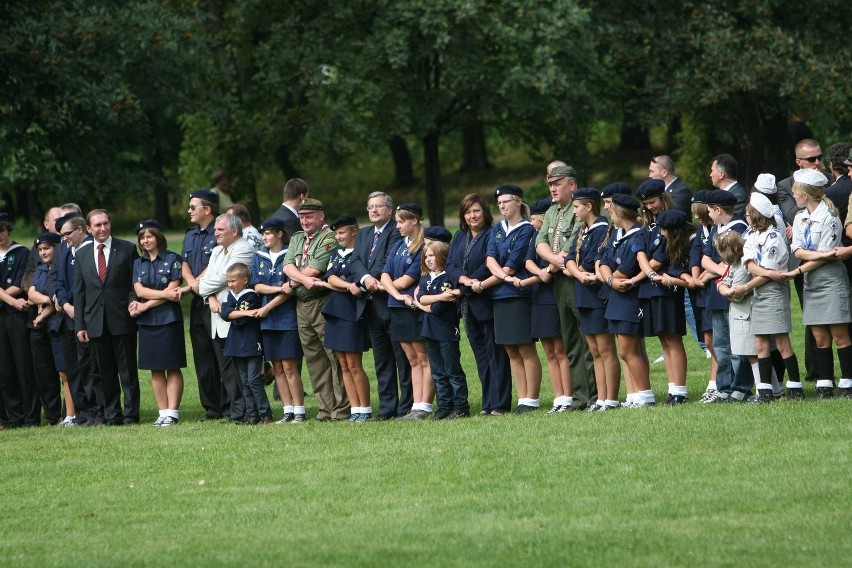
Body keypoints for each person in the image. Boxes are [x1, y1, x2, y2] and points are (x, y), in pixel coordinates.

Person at [782, 169, 852, 398]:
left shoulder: (829, 217)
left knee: (839, 333)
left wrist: (801, 267)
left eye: (796, 191)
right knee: (819, 336)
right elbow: (799, 249)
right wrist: (819, 255)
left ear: (806, 193)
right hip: (812, 279)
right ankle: (824, 382)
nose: (793, 194)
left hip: (830, 280)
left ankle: (847, 382)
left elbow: (820, 255)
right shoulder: (800, 217)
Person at [534, 164, 596, 409]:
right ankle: (580, 396)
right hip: (560, 280)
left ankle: (594, 394)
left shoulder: (578, 208)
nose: (552, 189)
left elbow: (573, 243)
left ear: (571, 185)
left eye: (556, 184)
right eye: (550, 184)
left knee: (586, 339)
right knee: (570, 340)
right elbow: (540, 242)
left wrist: (553, 263)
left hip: (575, 279)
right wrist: (553, 261)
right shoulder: (552, 211)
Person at [283, 198, 349, 421]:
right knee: (314, 358)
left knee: (333, 354)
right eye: (301, 217)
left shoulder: (329, 237)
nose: (304, 221)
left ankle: (341, 409)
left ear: (321, 216)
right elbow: (287, 265)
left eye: (309, 216)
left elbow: (316, 268)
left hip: (323, 301)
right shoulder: (297, 238)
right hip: (302, 304)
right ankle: (325, 408)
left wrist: (294, 281)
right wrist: (299, 279)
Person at [446, 194, 511, 417]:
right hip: (467, 304)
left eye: (476, 211)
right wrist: (464, 282)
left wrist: (472, 283)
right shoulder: (459, 236)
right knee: (481, 356)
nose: (472, 216)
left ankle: (500, 404)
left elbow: (490, 264)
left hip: (487, 300)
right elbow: (450, 265)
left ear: (484, 212)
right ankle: (487, 402)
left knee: (496, 354)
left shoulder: (493, 233)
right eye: (468, 212)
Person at [74, 209, 140, 425]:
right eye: (98, 225)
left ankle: (131, 414)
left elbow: (135, 284)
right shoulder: (82, 254)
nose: (103, 228)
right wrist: (80, 325)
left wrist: (132, 302)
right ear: (88, 229)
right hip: (95, 322)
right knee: (104, 372)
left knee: (127, 371)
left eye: (106, 224)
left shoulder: (127, 249)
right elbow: (80, 292)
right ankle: (112, 414)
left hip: (122, 318)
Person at [351, 191, 412, 420]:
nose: (374, 210)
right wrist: (366, 280)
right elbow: (355, 261)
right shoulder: (364, 234)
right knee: (382, 360)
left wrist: (369, 279)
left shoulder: (395, 233)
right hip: (370, 306)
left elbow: (387, 261)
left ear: (389, 210)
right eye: (370, 207)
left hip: (390, 303)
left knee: (402, 359)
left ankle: (406, 406)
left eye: (379, 206)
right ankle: (387, 408)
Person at [486, 185, 541, 414]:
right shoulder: (498, 229)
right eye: (499, 203)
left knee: (525, 348)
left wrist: (503, 275)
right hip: (501, 293)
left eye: (506, 202)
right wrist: (503, 277)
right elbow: (490, 259)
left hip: (519, 294)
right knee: (510, 349)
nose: (502, 206)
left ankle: (532, 399)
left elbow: (513, 263)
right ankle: (522, 398)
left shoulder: (527, 229)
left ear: (518, 202)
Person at [635, 180, 690, 404]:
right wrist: (647, 273)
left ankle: (680, 390)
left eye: (653, 202)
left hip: (668, 286)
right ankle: (672, 388)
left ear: (663, 197)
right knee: (663, 340)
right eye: (646, 204)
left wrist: (645, 272)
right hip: (651, 286)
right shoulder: (648, 225)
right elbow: (638, 250)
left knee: (673, 338)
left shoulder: (672, 221)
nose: (650, 207)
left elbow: (661, 257)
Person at [198, 213, 255, 422]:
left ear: (234, 230)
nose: (216, 233)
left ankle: (247, 411)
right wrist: (210, 297)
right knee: (227, 369)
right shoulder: (215, 251)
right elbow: (209, 280)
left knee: (240, 368)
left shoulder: (243, 248)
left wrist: (204, 288)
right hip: (216, 316)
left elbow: (225, 279)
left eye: (220, 230)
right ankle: (236, 411)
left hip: (235, 317)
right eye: (215, 230)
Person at [598, 194, 655, 407]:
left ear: (621, 212)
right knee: (627, 350)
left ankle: (646, 395)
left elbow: (628, 268)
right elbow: (603, 262)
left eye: (612, 209)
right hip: (616, 295)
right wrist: (611, 280)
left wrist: (612, 277)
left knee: (628, 350)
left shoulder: (637, 235)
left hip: (631, 297)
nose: (609, 213)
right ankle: (638, 395)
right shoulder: (617, 234)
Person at [741, 193, 799, 402]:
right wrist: (768, 272)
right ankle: (765, 391)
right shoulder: (752, 235)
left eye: (748, 214)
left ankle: (795, 388)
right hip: (759, 293)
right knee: (760, 343)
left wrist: (747, 285)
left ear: (757, 216)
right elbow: (749, 264)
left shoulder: (774, 238)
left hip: (772, 293)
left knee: (782, 342)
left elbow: (766, 270)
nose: (746, 217)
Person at [130, 220, 186, 426]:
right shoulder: (138, 263)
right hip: (147, 324)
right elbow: (140, 291)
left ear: (158, 237)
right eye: (142, 237)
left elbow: (175, 290)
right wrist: (163, 295)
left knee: (172, 366)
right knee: (155, 369)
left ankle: (173, 412)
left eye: (149, 236)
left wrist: (145, 305)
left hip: (169, 319)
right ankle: (162, 412)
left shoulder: (173, 259)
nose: (145, 240)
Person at [565, 188, 617, 411]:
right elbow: (569, 260)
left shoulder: (601, 229)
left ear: (588, 206)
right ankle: (600, 398)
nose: (574, 211)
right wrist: (577, 273)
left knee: (606, 350)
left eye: (576, 207)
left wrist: (581, 272)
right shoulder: (581, 231)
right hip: (583, 294)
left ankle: (610, 399)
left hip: (596, 295)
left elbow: (594, 261)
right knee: (594, 351)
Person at [318, 215, 372, 422]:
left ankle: (364, 408)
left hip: (352, 311)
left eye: (342, 233)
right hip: (336, 310)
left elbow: (357, 280)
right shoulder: (335, 254)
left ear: (354, 232)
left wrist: (345, 283)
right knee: (343, 364)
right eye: (336, 233)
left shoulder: (360, 253)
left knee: (354, 363)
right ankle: (354, 409)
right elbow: (330, 277)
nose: (338, 237)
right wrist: (347, 285)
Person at [381, 203, 432, 420]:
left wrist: (393, 289)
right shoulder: (398, 245)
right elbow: (385, 274)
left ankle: (424, 405)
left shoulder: (423, 246)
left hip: (413, 307)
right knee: (411, 358)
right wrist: (396, 294)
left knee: (423, 357)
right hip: (398, 306)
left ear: (414, 221)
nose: (398, 225)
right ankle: (415, 405)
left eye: (401, 221)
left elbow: (407, 280)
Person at [250, 218, 305, 423]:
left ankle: (299, 410)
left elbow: (290, 290)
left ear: (280, 234)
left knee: (290, 366)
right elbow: (257, 286)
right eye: (263, 234)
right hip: (268, 321)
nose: (264, 237)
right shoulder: (259, 257)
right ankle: (287, 409)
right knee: (278, 368)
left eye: (269, 233)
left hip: (285, 317)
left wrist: (267, 306)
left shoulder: (289, 255)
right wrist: (277, 288)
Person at [700, 191, 751, 403]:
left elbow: (733, 262)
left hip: (734, 291)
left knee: (737, 343)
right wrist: (720, 270)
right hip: (718, 292)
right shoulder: (715, 228)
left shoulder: (739, 228)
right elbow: (705, 259)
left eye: (710, 210)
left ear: (718, 210)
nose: (709, 214)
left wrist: (719, 270)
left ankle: (740, 386)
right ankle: (724, 387)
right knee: (720, 343)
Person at [182, 189, 226, 421]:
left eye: (193, 207)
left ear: (207, 209)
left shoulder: (220, 233)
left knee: (220, 353)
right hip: (198, 302)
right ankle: (212, 407)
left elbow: (217, 263)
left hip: (215, 300)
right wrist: (192, 284)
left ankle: (229, 405)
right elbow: (184, 263)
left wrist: (197, 285)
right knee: (202, 357)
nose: (189, 211)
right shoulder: (190, 235)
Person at [525, 199, 573, 413]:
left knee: (560, 349)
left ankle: (568, 397)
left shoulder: (556, 235)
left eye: (534, 219)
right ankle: (558, 397)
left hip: (553, 294)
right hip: (538, 294)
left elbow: (562, 256)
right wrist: (540, 273)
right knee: (549, 351)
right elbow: (528, 261)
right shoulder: (535, 237)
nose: (533, 223)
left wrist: (549, 271)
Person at [416, 236, 469, 419]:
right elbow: (421, 298)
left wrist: (427, 301)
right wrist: (435, 297)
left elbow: (438, 307)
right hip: (429, 330)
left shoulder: (447, 277)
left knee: (452, 370)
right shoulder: (426, 278)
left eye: (432, 255)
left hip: (446, 330)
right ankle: (444, 406)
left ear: (443, 257)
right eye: (426, 256)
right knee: (438, 372)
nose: (429, 259)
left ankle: (460, 406)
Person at [53, 213, 96, 425]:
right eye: (62, 235)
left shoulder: (91, 249)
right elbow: (59, 282)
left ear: (81, 229)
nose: (64, 238)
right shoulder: (64, 250)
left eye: (67, 233)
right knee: (74, 368)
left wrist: (78, 309)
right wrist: (67, 306)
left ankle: (95, 409)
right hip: (68, 315)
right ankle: (81, 412)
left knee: (89, 366)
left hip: (87, 315)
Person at [221, 263, 271, 424]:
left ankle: (265, 413)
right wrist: (241, 313)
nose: (230, 285)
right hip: (236, 344)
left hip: (251, 342)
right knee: (244, 381)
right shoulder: (230, 295)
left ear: (244, 280)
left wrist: (234, 313)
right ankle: (251, 414)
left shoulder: (250, 295)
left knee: (254, 379)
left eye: (233, 281)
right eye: (228, 281)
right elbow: (225, 313)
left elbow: (239, 319)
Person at [26, 232, 63, 425]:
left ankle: (70, 413)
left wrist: (41, 313)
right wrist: (49, 299)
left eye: (47, 248)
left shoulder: (62, 268)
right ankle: (52, 415)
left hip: (58, 323)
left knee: (64, 371)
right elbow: (32, 293)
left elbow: (60, 295)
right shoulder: (40, 269)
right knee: (45, 371)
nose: (43, 252)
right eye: (40, 249)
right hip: (42, 327)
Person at [688, 192, 720, 401]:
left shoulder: (719, 229)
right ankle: (715, 383)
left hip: (715, 288)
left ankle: (716, 383)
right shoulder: (701, 230)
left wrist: (705, 276)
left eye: (700, 213)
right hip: (699, 289)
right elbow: (695, 256)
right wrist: (694, 277)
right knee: (707, 339)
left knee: (715, 339)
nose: (698, 218)